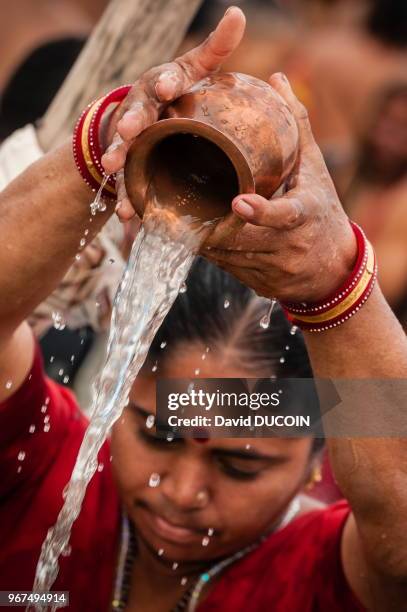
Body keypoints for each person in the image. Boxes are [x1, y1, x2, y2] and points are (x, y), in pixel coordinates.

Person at [0, 6, 406, 611]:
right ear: (117, 387)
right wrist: (109, 142)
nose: (183, 494)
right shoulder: (45, 468)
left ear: (319, 461)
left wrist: (335, 284)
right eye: (157, 433)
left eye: (240, 463)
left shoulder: (325, 571)